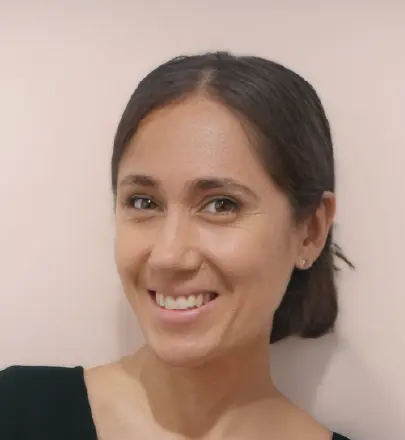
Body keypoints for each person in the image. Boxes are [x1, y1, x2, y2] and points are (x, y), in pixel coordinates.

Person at [0, 52, 353, 439]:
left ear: (310, 231)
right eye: (143, 202)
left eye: (221, 205)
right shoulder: (16, 412)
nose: (168, 256)